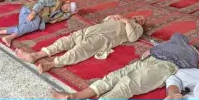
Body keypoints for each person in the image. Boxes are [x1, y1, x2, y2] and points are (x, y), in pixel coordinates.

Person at [50, 33, 199, 100]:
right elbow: (150, 50)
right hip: (150, 60)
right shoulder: (168, 44)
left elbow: (190, 70)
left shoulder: (191, 52)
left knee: (127, 84)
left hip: (167, 66)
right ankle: (74, 96)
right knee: (113, 78)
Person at [15, 14, 147, 73]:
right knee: (65, 40)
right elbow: (104, 20)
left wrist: (127, 21)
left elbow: (132, 38)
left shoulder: (136, 27)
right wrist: (113, 17)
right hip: (91, 30)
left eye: (142, 19)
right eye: (139, 16)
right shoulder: (122, 17)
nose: (139, 18)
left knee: (79, 50)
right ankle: (36, 55)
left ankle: (52, 64)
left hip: (103, 38)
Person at [0, 0, 78, 47]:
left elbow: (67, 15)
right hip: (29, 10)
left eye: (68, 10)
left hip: (34, 19)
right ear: (67, 2)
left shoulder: (62, 14)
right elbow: (41, 2)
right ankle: (10, 37)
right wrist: (33, 13)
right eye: (67, 6)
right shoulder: (57, 0)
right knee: (35, 24)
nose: (66, 9)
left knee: (27, 26)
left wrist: (73, 12)